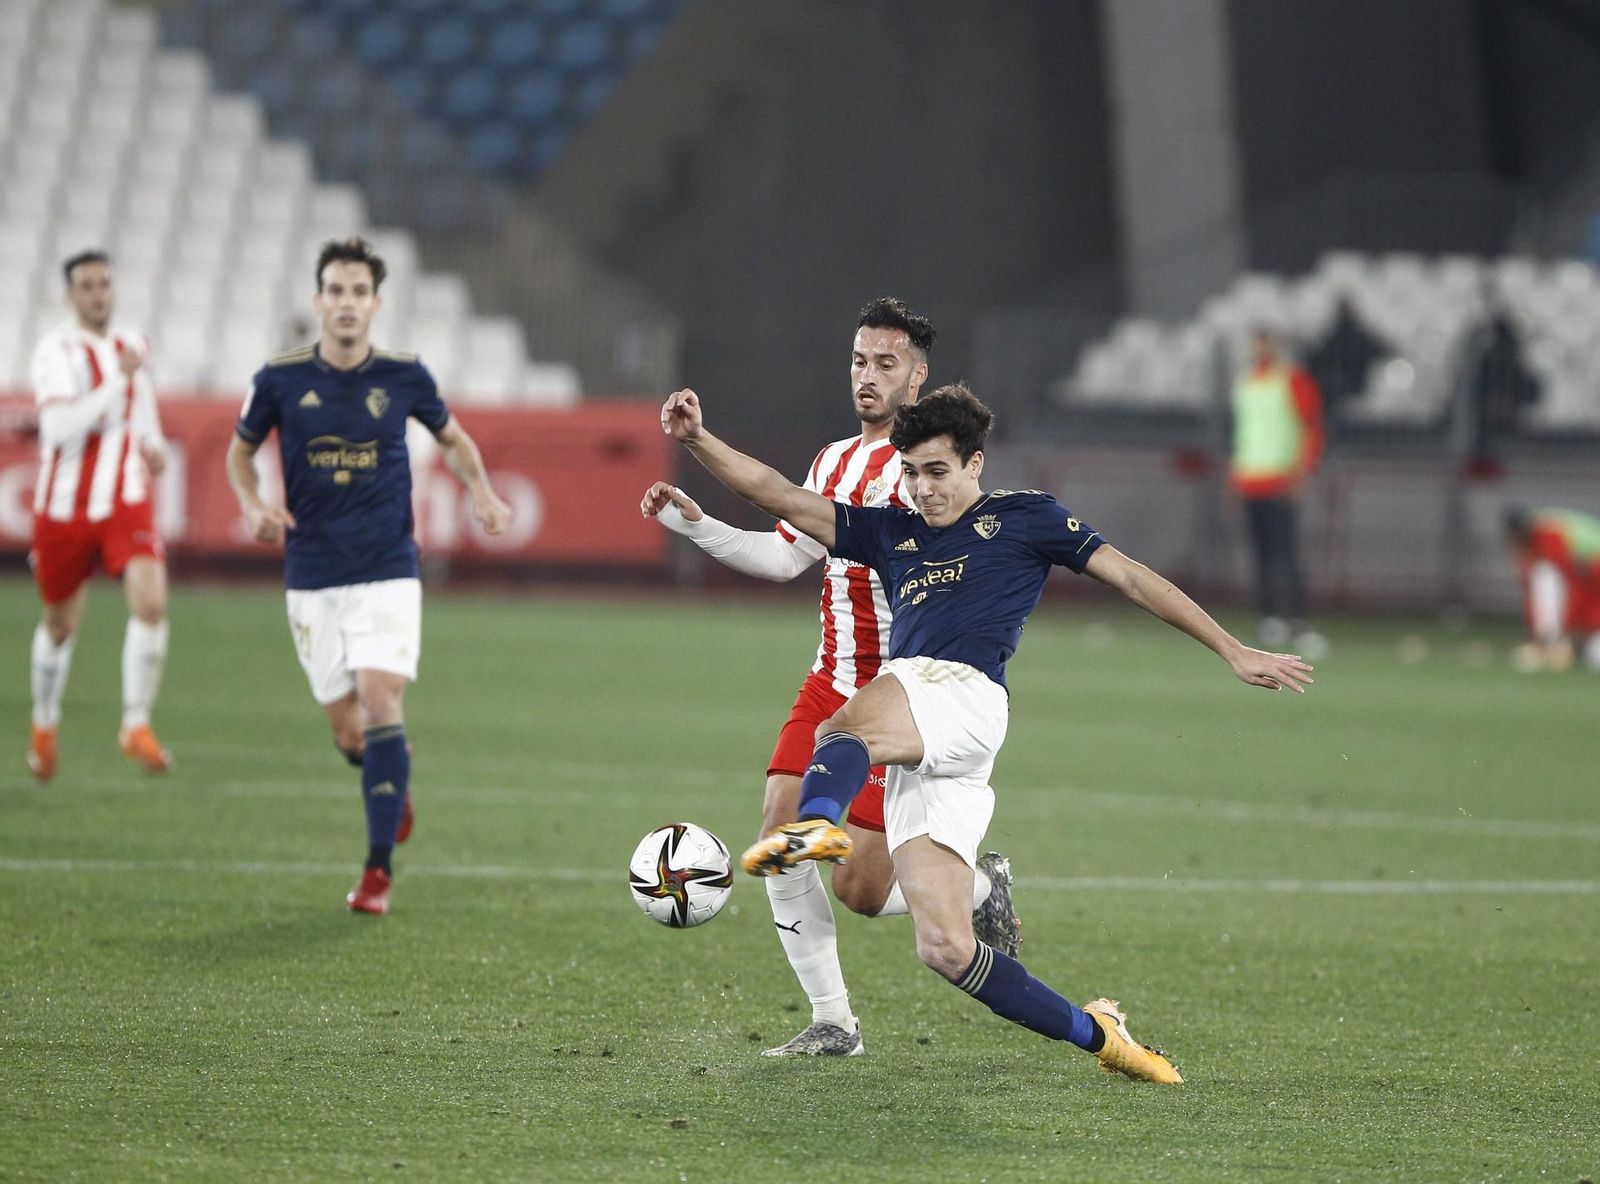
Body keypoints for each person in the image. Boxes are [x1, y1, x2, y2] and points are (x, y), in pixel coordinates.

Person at [662, 382, 1313, 1082]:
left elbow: (1131, 578)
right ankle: (1104, 1037)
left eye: (937, 471)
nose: (922, 489)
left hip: (962, 695)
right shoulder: (891, 531)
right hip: (929, 746)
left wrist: (1231, 649)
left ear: (975, 463)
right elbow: (781, 496)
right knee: (944, 947)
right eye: (910, 473)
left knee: (842, 727)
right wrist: (697, 440)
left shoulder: (1026, 517)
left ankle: (815, 821)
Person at [640, 298, 1020, 1058]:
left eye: (886, 364)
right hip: (829, 678)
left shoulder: (922, 476)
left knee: (862, 888)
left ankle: (981, 890)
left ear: (918, 377)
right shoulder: (832, 459)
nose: (868, 376)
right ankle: (832, 1021)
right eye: (858, 360)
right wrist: (693, 523)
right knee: (782, 829)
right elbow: (784, 556)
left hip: (901, 695)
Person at [224, 237, 512, 915]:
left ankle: (377, 873)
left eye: (360, 292)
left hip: (387, 565)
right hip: (312, 572)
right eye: (336, 291)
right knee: (351, 732)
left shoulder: (406, 376)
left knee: (382, 701)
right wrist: (254, 504)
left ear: (376, 304)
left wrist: (482, 492)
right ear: (319, 300)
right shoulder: (278, 379)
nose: (347, 303)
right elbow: (239, 456)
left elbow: (454, 440)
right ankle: (391, 770)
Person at [26, 250, 174, 780]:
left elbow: (144, 402)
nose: (98, 293)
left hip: (124, 499)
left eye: (104, 283)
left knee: (151, 604)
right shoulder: (54, 350)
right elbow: (58, 430)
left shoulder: (131, 344)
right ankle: (44, 724)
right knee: (61, 626)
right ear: (70, 296)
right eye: (86, 285)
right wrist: (115, 382)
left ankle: (135, 723)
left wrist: (153, 443)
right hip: (64, 507)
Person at [1230, 329, 1325, 656]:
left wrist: (1301, 473)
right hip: (1250, 480)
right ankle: (1269, 619)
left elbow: (1311, 428)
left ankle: (1298, 621)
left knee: (1287, 553)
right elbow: (1244, 435)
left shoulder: (1292, 380)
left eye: (1265, 341)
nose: (1260, 347)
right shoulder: (1245, 383)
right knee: (1262, 554)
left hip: (1280, 480)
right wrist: (1235, 478)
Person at [1503, 506, 1600, 672]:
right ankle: (1553, 642)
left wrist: (1568, 629)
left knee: (1545, 576)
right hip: (1588, 563)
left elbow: (1571, 585)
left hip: (1592, 562)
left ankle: (1552, 642)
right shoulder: (1540, 534)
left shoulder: (1549, 537)